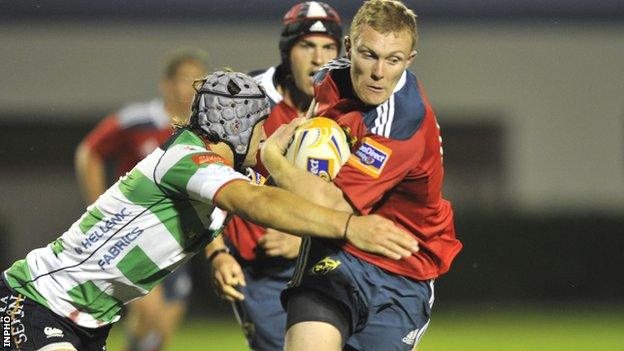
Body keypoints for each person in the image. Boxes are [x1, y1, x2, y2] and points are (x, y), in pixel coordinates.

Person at [0, 71, 418, 351]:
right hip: (36, 302)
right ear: (235, 127)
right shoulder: (187, 161)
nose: (263, 136)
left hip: (88, 321)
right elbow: (255, 202)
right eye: (259, 126)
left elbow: (273, 195)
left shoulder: (212, 172)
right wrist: (348, 226)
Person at [260, 1, 463, 350]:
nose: (378, 73)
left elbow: (331, 202)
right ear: (349, 47)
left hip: (402, 268)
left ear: (410, 60)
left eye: (393, 60)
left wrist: (272, 159)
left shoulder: (402, 121)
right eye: (369, 55)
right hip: (338, 254)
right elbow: (310, 148)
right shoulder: (327, 79)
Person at [208, 2, 343, 350]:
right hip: (260, 274)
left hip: (331, 263)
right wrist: (217, 253)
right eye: (307, 46)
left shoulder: (349, 104)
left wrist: (303, 236)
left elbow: (368, 193)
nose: (319, 59)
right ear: (287, 51)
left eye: (329, 47)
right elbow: (200, 174)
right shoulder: (245, 99)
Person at [74, 50, 207, 351]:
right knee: (148, 310)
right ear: (167, 83)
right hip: (134, 233)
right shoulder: (138, 120)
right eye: (186, 79)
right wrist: (98, 206)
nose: (192, 87)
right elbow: (89, 152)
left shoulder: (204, 129)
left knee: (163, 328)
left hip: (180, 237)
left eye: (198, 80)